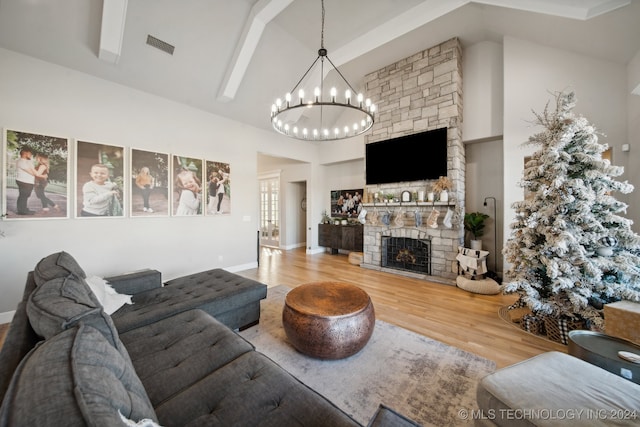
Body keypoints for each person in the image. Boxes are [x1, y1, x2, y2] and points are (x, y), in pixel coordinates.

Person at [15, 147, 47, 215]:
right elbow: (33, 173)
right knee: (23, 196)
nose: (31, 155)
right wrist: (43, 176)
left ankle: (23, 209)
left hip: (26, 182)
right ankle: (22, 211)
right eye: (30, 154)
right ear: (25, 153)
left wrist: (37, 173)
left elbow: (33, 171)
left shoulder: (27, 161)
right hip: (24, 181)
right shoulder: (21, 162)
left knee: (24, 196)